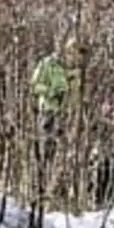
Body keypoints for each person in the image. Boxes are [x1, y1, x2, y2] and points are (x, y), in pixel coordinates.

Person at [30, 37, 80, 178]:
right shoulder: (49, 64)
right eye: (72, 51)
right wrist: (51, 91)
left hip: (68, 115)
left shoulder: (77, 70)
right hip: (49, 110)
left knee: (63, 151)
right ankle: (43, 178)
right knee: (47, 147)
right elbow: (35, 86)